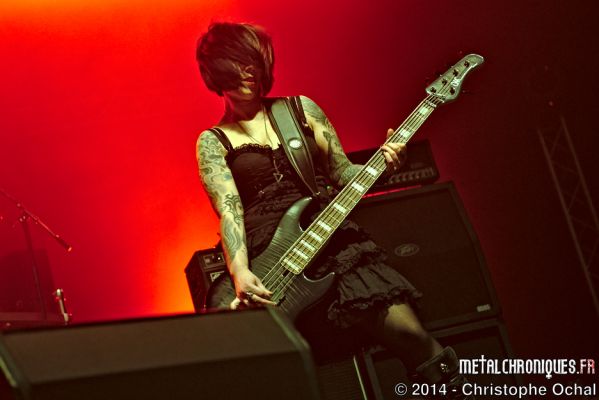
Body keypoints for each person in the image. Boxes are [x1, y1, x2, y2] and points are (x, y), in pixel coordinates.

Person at [195, 21, 473, 398]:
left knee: (411, 334)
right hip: (271, 264)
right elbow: (230, 213)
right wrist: (240, 272)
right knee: (295, 380)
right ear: (215, 69)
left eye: (254, 61)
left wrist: (386, 162)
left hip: (332, 239)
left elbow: (343, 173)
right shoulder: (213, 142)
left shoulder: (300, 110)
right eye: (239, 62)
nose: (250, 70)